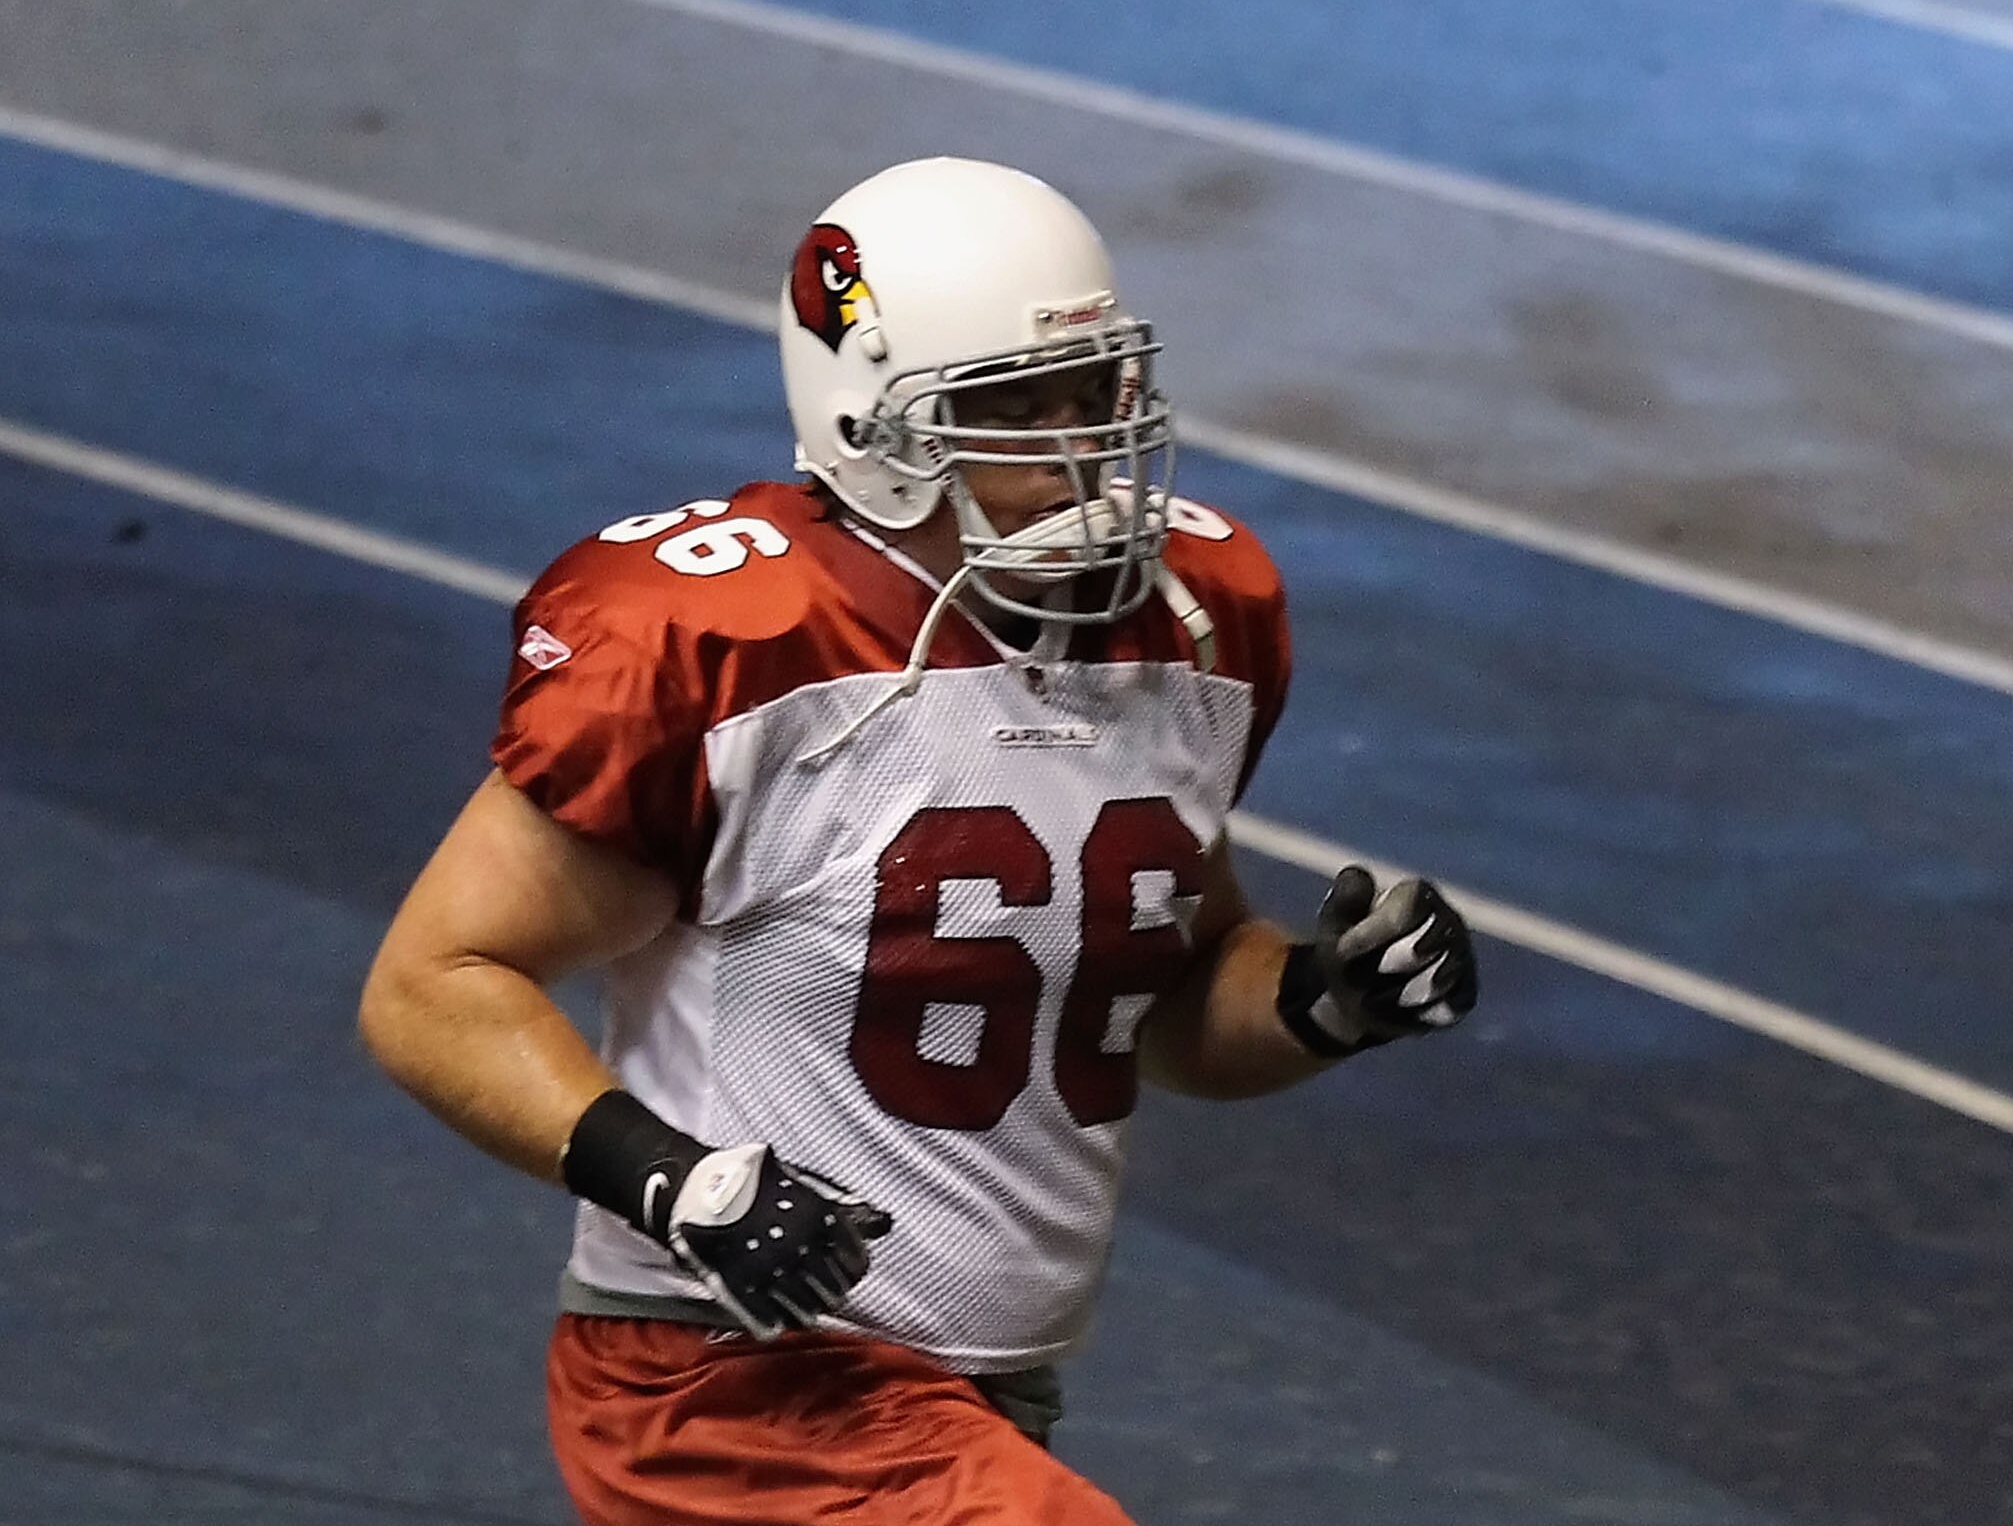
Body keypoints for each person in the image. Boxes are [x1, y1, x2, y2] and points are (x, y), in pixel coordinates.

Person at [358, 156, 1478, 1524]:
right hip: (733, 1374)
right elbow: (435, 983)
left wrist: (1321, 997)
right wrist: (672, 1181)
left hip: (982, 1395)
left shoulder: (1194, 621)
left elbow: (1169, 1005)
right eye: (1014, 408)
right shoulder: (735, 644)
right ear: (872, 423)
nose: (1076, 446)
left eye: (1095, 394)